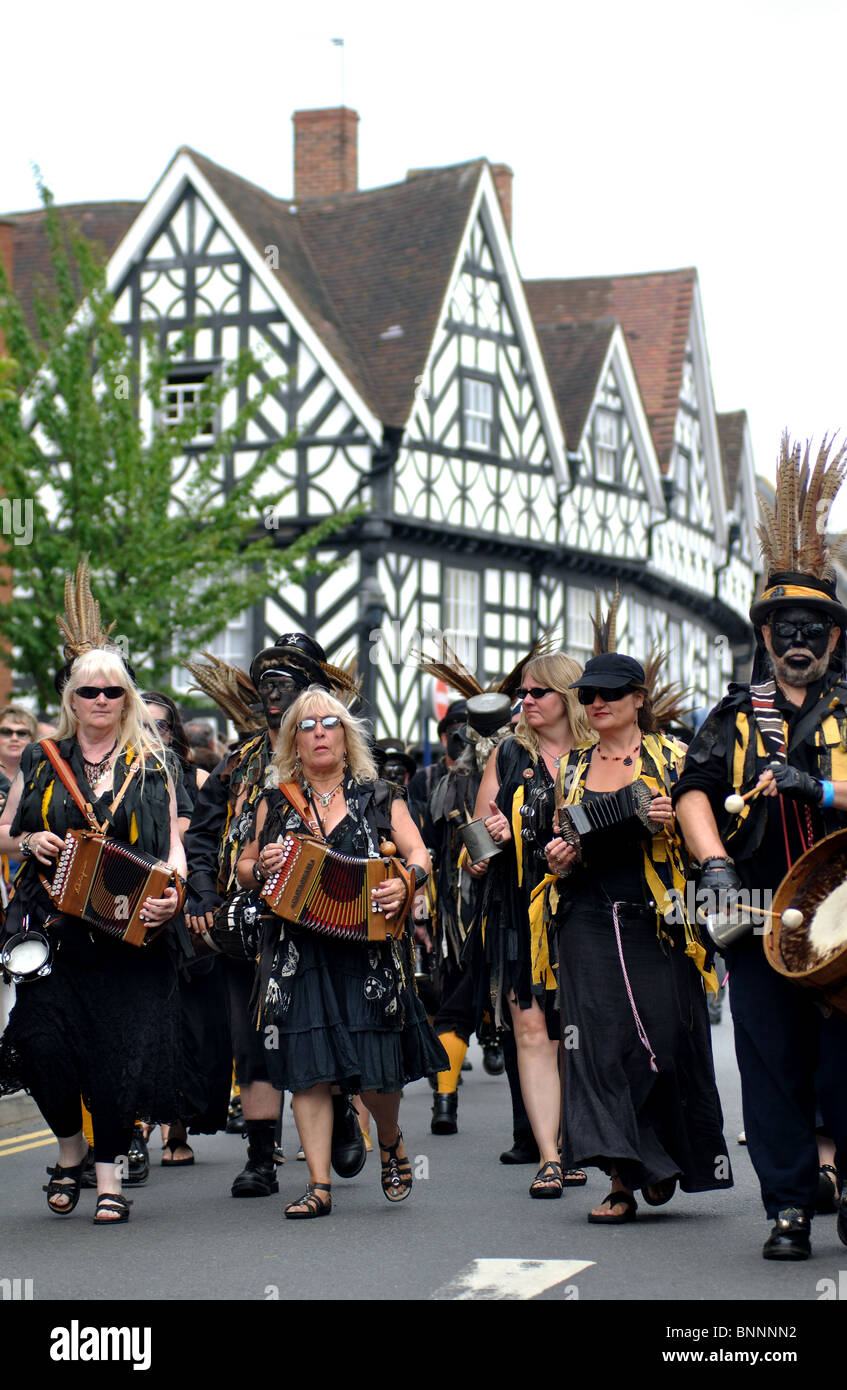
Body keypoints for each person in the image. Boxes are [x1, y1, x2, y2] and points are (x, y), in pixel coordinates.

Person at [673, 433, 847, 1259]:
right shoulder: (731, 717)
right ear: (765, 633)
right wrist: (710, 861)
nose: (799, 638)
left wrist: (820, 791)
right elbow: (692, 791)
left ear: (836, 639)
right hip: (759, 909)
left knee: (846, 1067)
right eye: (785, 625)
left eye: (814, 625)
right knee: (771, 1065)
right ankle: (786, 1209)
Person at [236, 688, 447, 1218]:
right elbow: (243, 868)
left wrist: (406, 880)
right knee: (308, 1069)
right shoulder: (275, 800)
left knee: (376, 1073)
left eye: (330, 723)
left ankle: (392, 1137)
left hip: (368, 951)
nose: (320, 733)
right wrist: (264, 864)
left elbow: (422, 854)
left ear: (347, 736)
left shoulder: (380, 796)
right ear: (293, 741)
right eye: (307, 726)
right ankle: (318, 1183)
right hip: (297, 950)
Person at [0, 633, 186, 1226]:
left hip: (127, 934)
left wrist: (174, 897)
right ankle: (68, 1147)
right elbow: (4, 830)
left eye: (113, 690)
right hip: (50, 926)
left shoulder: (156, 764)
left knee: (114, 1056)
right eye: (89, 691)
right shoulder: (41, 758)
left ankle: (107, 1179)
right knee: (39, 1044)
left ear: (125, 699)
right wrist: (28, 839)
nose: (101, 699)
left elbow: (175, 850)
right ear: (72, 700)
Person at [544, 650, 731, 1224]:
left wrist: (675, 825)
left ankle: (659, 1156)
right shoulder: (572, 768)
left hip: (664, 918)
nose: (597, 704)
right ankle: (623, 1177)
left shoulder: (676, 759)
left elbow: (713, 834)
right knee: (597, 1049)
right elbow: (561, 846)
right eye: (588, 696)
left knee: (664, 1044)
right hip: (588, 918)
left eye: (610, 694)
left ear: (639, 699)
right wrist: (559, 856)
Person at [466, 653, 593, 1196]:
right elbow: (475, 847)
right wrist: (490, 833)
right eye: (524, 692)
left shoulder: (598, 752)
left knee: (579, 1032)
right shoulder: (509, 752)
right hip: (518, 908)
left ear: (567, 695)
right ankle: (548, 1155)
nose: (527, 701)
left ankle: (578, 1139)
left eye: (538, 692)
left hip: (586, 907)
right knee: (531, 1030)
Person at [139, 691, 230, 1168]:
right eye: (145, 723)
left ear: (175, 731)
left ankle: (178, 1127)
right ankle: (134, 1128)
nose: (155, 734)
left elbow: (206, 847)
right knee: (142, 1021)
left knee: (190, 1026)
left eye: (163, 725)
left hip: (188, 915)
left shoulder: (197, 779)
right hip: (131, 910)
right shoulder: (117, 778)